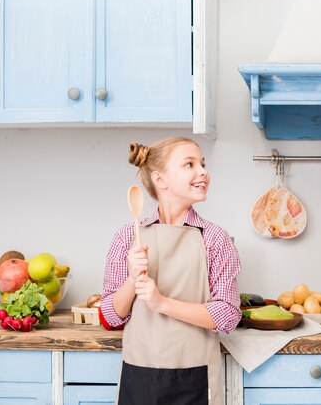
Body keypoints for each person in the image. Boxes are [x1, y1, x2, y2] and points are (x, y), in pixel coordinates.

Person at [100, 136, 241, 405]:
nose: (203, 172)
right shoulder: (128, 236)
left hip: (195, 375)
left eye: (202, 164)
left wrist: (161, 303)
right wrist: (132, 279)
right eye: (189, 164)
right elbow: (110, 317)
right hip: (138, 372)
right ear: (160, 180)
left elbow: (228, 315)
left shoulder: (214, 238)